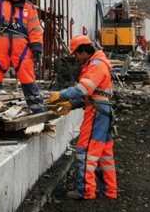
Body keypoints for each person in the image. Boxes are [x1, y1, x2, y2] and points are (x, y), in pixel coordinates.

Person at [48, 35, 118, 200]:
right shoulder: (98, 63)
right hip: (103, 112)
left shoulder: (96, 65)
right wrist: (72, 104)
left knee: (85, 151)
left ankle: (85, 191)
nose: (76, 58)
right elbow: (95, 94)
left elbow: (84, 89)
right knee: (104, 154)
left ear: (84, 51)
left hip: (96, 113)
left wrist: (61, 95)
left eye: (76, 54)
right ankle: (110, 191)